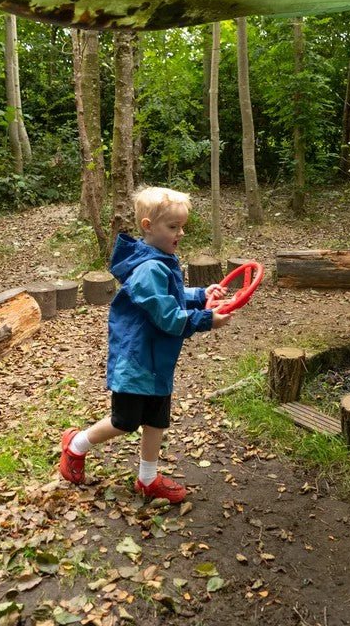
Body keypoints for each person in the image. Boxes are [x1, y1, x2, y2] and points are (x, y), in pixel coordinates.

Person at [58, 186, 232, 503]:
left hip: (157, 360)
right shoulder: (149, 267)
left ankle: (148, 479)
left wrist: (201, 295)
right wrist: (206, 319)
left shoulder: (161, 259)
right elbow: (167, 316)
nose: (180, 233)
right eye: (173, 226)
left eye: (182, 226)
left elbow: (170, 296)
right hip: (136, 361)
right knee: (125, 422)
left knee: (156, 420)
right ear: (148, 226)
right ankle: (76, 444)